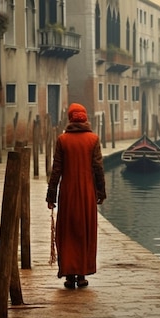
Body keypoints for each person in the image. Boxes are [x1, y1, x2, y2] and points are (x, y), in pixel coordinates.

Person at [46, 103, 106, 289]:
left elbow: (56, 170)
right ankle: (81, 275)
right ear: (85, 117)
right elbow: (98, 168)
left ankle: (69, 276)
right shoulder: (93, 139)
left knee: (69, 232)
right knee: (84, 231)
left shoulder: (62, 140)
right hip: (87, 193)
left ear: (70, 118)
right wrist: (101, 192)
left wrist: (51, 196)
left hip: (68, 194)